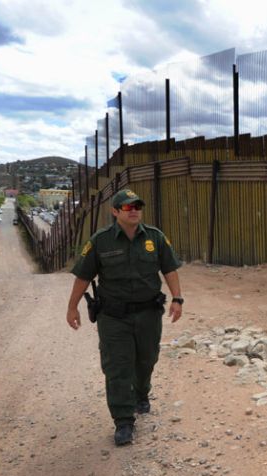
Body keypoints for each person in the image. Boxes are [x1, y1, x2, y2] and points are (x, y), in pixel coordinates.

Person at [66, 188, 184, 446]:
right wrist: (72, 307)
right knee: (117, 366)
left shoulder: (155, 237)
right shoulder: (100, 241)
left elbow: (170, 269)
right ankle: (123, 421)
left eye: (137, 206)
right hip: (113, 316)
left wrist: (177, 298)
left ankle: (141, 393)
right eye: (128, 207)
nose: (134, 211)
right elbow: (84, 276)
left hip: (148, 313)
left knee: (146, 359)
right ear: (115, 212)